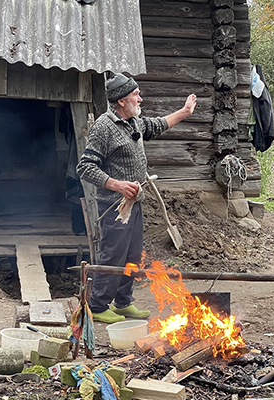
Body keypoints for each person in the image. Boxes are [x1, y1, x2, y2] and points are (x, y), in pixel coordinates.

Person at [76, 73, 197, 323]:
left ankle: (123, 302)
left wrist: (185, 111)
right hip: (114, 206)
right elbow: (85, 167)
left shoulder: (134, 123)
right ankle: (98, 306)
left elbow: (158, 124)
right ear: (122, 100)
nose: (140, 98)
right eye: (136, 94)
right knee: (113, 255)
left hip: (135, 204)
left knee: (132, 255)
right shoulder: (104, 127)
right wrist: (116, 185)